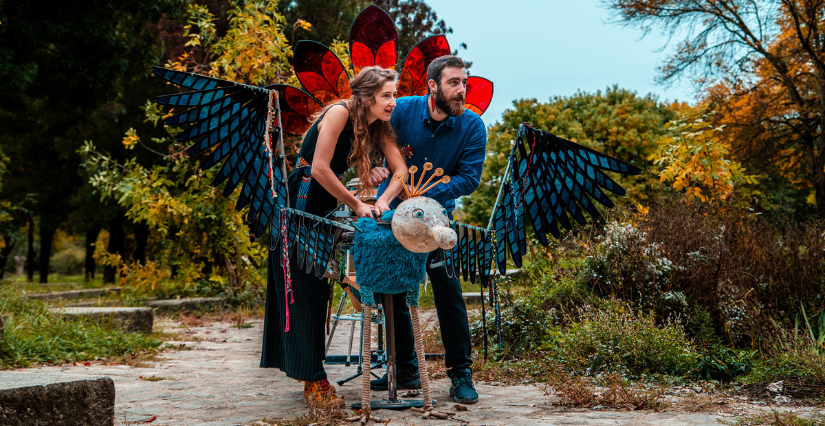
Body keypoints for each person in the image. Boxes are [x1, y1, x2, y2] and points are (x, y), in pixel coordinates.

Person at [260, 66, 408, 408]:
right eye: (387, 95)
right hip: (301, 200)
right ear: (368, 96)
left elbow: (400, 170)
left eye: (394, 95)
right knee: (303, 290)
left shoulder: (379, 126)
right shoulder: (340, 112)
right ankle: (313, 380)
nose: (393, 102)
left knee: (316, 290)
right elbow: (319, 168)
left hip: (325, 208)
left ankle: (310, 375)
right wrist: (357, 203)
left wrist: (383, 200)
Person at [372, 56, 487, 404]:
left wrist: (420, 200)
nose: (461, 90)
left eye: (463, 83)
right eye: (453, 82)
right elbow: (369, 139)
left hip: (437, 222)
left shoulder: (472, 126)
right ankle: (405, 368)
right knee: (391, 291)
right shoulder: (400, 110)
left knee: (448, 293)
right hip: (391, 217)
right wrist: (375, 166)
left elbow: (470, 178)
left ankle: (461, 374)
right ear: (433, 86)